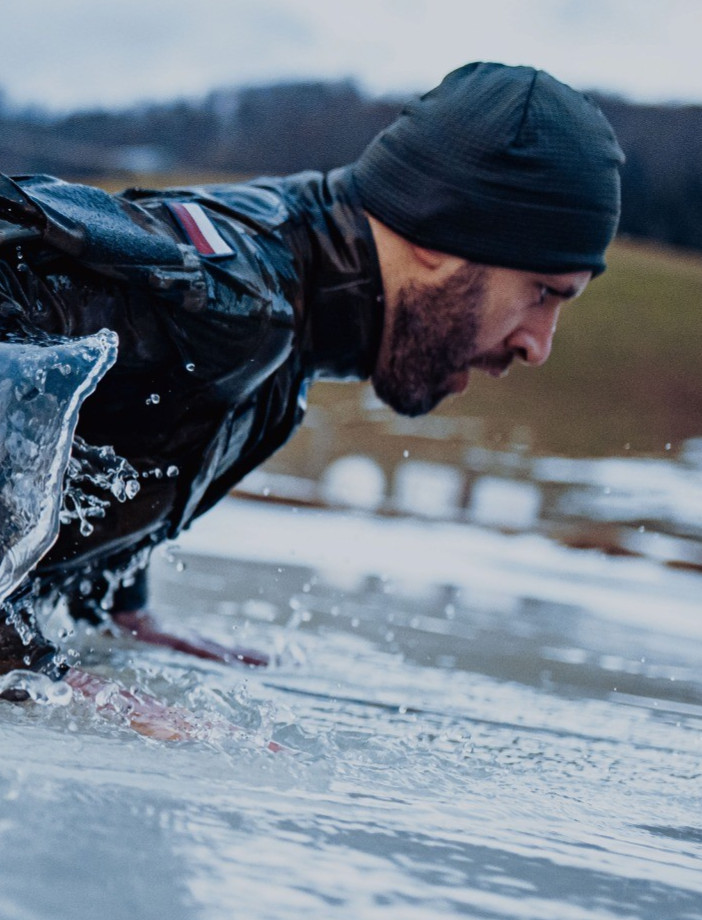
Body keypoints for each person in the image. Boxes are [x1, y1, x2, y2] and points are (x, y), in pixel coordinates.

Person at [0, 62, 623, 691]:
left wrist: (120, 608)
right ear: (439, 232)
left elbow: (118, 414)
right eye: (542, 292)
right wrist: (30, 668)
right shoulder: (240, 298)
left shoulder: (286, 303)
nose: (537, 345)